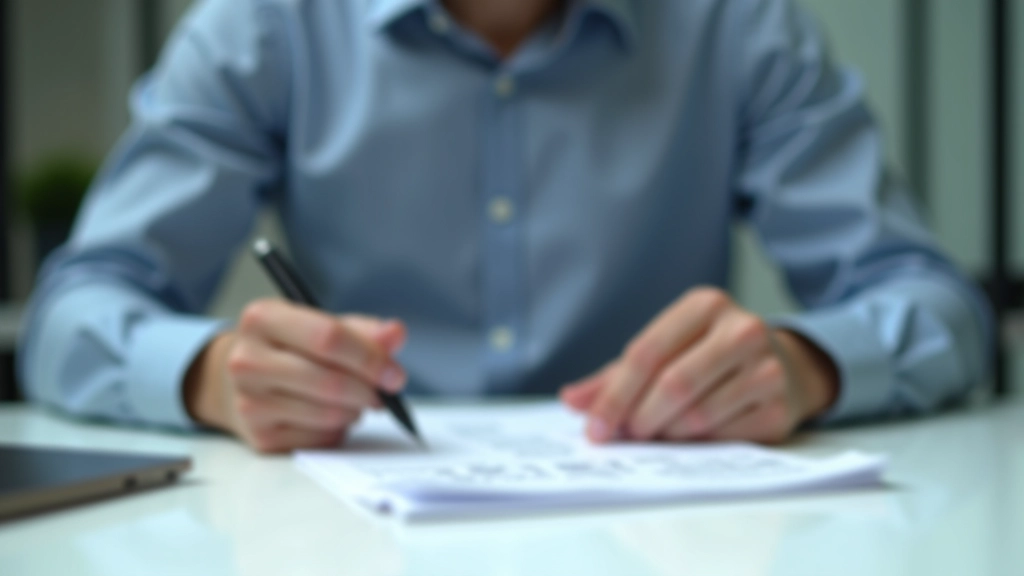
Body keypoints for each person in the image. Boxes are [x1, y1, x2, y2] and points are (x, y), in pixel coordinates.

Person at [18, 0, 991, 453]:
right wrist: (209, 377)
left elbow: (937, 308)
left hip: (674, 544)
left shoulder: (739, 26)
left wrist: (807, 365)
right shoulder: (264, 25)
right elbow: (74, 316)